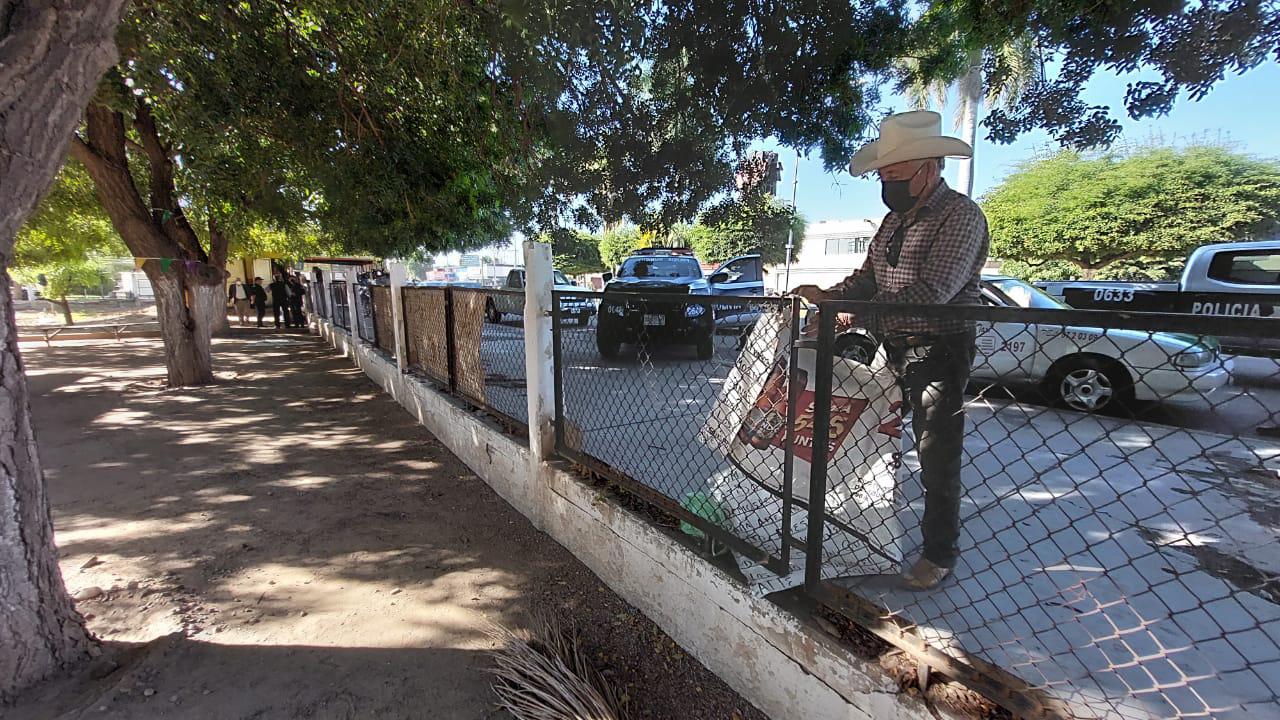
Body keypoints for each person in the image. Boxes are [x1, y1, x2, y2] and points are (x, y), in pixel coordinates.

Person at [791, 110, 989, 590]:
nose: (888, 185)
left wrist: (854, 315)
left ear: (929, 168)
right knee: (868, 438)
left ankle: (939, 553)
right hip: (894, 346)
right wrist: (830, 298)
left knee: (935, 451)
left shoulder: (960, 216)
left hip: (939, 349)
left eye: (896, 175)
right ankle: (862, 526)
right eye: (883, 177)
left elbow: (932, 293)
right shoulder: (891, 221)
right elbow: (868, 280)